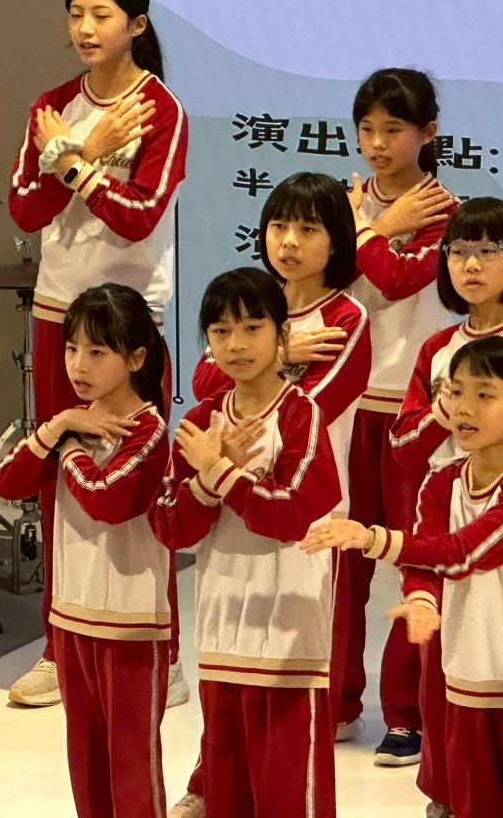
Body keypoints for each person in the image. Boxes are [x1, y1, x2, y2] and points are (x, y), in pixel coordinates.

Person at [7, 0, 188, 707]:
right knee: (60, 473)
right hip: (59, 313)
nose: (85, 28)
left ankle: (162, 650)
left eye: (101, 15)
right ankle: (59, 646)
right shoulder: (52, 105)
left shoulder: (160, 110)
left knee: (140, 482)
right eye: (76, 13)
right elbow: (24, 210)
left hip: (129, 317)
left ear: (136, 25)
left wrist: (73, 159)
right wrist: (69, 152)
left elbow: (138, 215)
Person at [303, 336, 503, 817]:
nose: (462, 407)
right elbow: (426, 562)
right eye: (454, 391)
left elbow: (459, 552)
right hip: (465, 677)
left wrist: (372, 538)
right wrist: (422, 599)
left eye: (484, 394)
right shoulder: (442, 480)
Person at [175, 173, 370, 818]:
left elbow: (307, 402)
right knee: (230, 684)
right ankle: (210, 778)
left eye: (308, 229)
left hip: (306, 511)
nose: (288, 242)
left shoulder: (347, 316)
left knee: (288, 690)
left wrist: (281, 360)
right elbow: (207, 384)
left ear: (336, 239)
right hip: (232, 534)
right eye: (279, 227)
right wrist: (279, 354)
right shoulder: (247, 306)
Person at [388, 196, 503, 813]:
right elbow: (404, 447)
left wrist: (494, 447)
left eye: (488, 250)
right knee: (441, 661)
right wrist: (448, 414)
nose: (471, 264)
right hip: (444, 506)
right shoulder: (439, 345)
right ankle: (448, 789)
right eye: (458, 250)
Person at [152, 268, 341, 818]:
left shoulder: (302, 413)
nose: (235, 344)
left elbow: (292, 516)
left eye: (252, 328)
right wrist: (209, 479)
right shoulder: (201, 420)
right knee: (228, 787)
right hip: (223, 626)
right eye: (220, 331)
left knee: (288, 790)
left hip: (289, 632)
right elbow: (171, 528)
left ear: (283, 334)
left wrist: (220, 472)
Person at [0, 284, 172, 817]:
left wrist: (67, 445)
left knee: (131, 762)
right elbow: (6, 482)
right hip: (71, 614)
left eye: (97, 351)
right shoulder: (71, 421)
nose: (79, 364)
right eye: (72, 348)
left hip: (131, 623)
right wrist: (57, 426)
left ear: (136, 358)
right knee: (85, 758)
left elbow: (105, 500)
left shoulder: (149, 429)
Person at [343, 68, 458, 767]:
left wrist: (367, 230)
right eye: (367, 129)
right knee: (342, 559)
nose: (378, 143)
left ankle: (407, 713)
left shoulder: (447, 211)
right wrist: (374, 225)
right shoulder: (346, 203)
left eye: (393, 129)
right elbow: (316, 276)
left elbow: (394, 278)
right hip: (347, 404)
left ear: (428, 132)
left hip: (416, 412)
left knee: (412, 559)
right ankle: (337, 699)